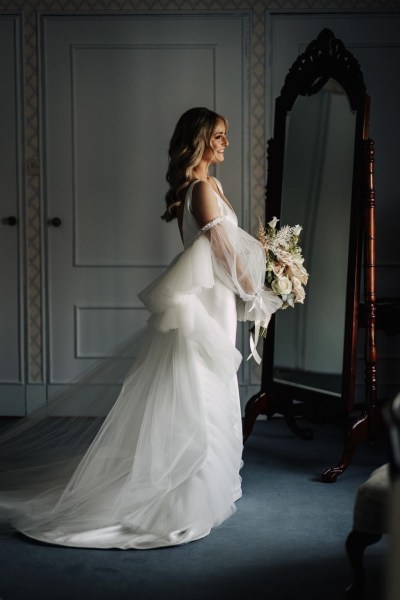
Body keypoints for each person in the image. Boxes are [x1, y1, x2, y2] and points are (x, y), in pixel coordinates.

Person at [0, 107, 281, 550]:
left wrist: (256, 282)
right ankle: (186, 493)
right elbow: (225, 252)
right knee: (199, 386)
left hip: (216, 300)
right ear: (200, 140)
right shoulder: (202, 190)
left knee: (210, 381)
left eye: (226, 136)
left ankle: (206, 482)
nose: (226, 142)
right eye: (219, 136)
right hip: (210, 303)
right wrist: (256, 289)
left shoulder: (211, 186)